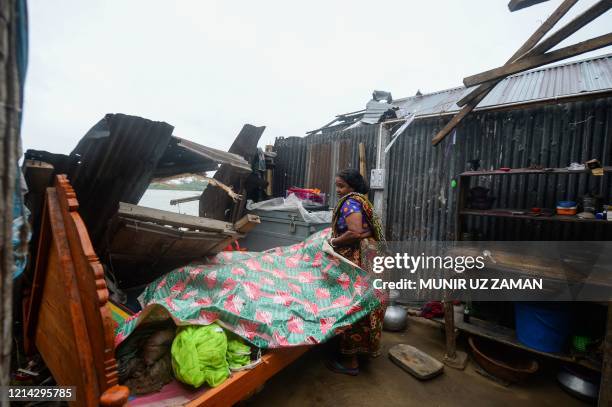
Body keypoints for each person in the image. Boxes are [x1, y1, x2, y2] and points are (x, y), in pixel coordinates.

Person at [326, 168, 387, 376]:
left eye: (341, 186)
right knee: (367, 304)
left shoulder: (351, 202)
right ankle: (363, 351)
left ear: (352, 187)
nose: (338, 190)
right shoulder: (363, 202)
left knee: (351, 304)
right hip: (371, 261)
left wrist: (333, 241)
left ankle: (350, 360)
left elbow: (354, 232)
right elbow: (367, 231)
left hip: (357, 263)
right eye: (337, 185)